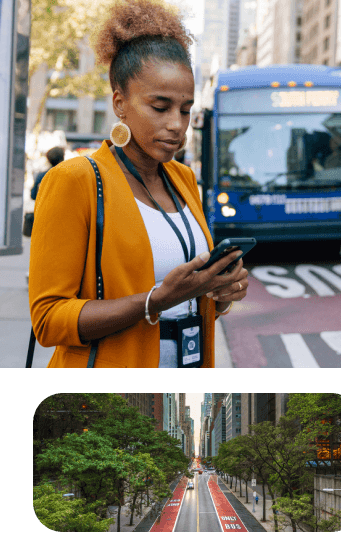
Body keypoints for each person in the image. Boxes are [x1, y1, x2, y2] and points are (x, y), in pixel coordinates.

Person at [29, 0, 248, 368]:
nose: (177, 124)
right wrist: (154, 301)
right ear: (120, 102)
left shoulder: (183, 178)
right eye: (160, 107)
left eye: (185, 109)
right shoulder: (74, 181)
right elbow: (48, 320)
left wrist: (221, 292)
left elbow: (194, 299)